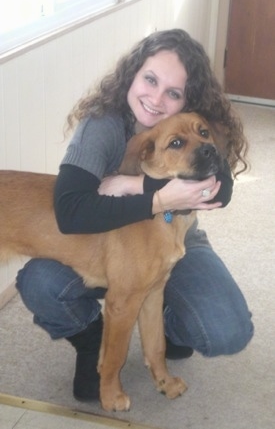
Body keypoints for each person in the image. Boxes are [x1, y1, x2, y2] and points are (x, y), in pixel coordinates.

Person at [16, 29, 253, 402]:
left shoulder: (192, 123)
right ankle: (94, 345)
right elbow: (70, 211)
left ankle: (169, 339)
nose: (157, 98)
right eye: (150, 79)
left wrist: (136, 186)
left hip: (173, 234)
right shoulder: (102, 126)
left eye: (173, 92)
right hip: (96, 231)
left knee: (222, 328)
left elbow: (220, 189)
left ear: (187, 99)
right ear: (132, 75)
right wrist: (156, 199)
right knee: (41, 281)